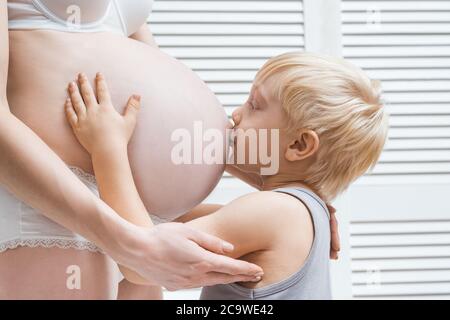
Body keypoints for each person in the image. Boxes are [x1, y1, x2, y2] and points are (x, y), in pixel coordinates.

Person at [64, 52, 387, 299]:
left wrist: (107, 149)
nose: (236, 113)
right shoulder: (299, 213)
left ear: (300, 144)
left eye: (255, 105)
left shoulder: (274, 212)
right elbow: (162, 219)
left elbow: (139, 261)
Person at [0, 0, 263, 300]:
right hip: (51, 201)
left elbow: (157, 90)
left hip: (135, 210)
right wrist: (132, 244)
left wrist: (297, 194)